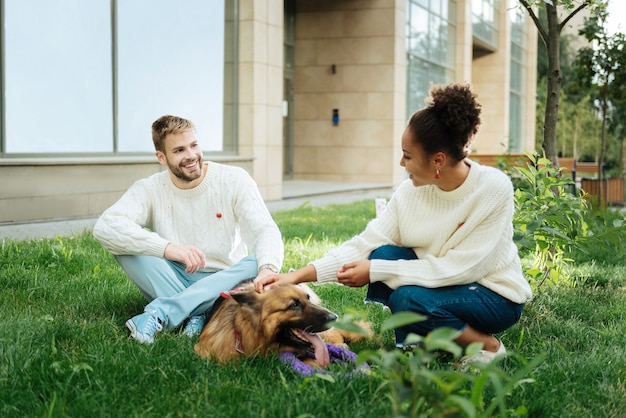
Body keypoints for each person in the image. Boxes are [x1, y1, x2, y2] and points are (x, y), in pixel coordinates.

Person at [254, 83, 532, 365]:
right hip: (444, 284)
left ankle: (488, 346)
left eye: (408, 156)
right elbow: (366, 243)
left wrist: (375, 271)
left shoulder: (493, 189)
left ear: (438, 160)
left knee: (408, 298)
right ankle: (436, 338)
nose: (401, 163)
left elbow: (461, 269)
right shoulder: (409, 192)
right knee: (382, 253)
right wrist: (295, 277)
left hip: (492, 294)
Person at [93, 115, 284, 344]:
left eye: (194, 145)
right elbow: (106, 226)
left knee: (257, 262)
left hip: (224, 279)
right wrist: (168, 248)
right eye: (179, 150)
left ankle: (161, 313)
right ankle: (200, 312)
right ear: (161, 157)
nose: (191, 156)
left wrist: (267, 268)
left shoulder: (233, 179)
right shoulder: (150, 188)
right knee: (124, 244)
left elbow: (265, 230)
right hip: (174, 275)